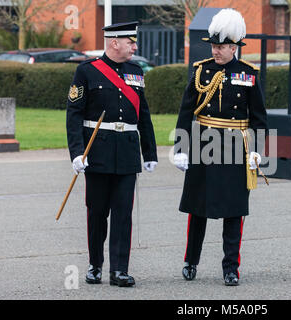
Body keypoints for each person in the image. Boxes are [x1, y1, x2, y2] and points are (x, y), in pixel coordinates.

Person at [173, 9, 268, 286]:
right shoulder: (201, 70)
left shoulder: (248, 74)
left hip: (236, 147)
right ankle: (191, 261)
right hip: (204, 143)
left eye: (221, 47)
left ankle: (231, 267)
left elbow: (259, 117)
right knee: (197, 207)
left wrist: (257, 150)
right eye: (213, 46)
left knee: (234, 209)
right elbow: (186, 109)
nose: (215, 51)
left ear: (234, 47)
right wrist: (180, 147)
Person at [66, 21, 158, 287]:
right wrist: (77, 153)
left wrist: (149, 152)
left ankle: (119, 270)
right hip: (98, 152)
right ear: (114, 42)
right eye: (131, 42)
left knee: (123, 213)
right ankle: (95, 264)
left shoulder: (136, 71)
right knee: (97, 213)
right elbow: (74, 114)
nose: (135, 46)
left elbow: (144, 114)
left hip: (127, 150)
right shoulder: (87, 72)